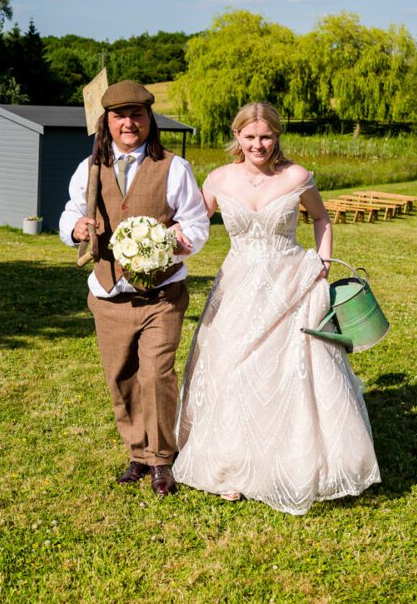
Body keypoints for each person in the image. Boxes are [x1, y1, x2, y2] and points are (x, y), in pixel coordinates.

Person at [172, 102, 380, 515]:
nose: (257, 145)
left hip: (290, 281)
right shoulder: (217, 178)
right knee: (231, 368)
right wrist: (162, 244)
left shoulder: (297, 176)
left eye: (265, 137)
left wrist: (321, 263)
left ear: (277, 136)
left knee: (288, 373)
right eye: (249, 137)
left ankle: (290, 460)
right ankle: (230, 465)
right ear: (236, 138)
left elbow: (322, 220)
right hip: (237, 283)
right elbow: (192, 225)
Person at [59, 80, 209, 496]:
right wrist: (75, 228)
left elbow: (197, 223)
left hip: (162, 295)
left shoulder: (174, 167)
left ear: (149, 120)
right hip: (108, 296)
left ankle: (162, 459)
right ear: (106, 122)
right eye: (119, 116)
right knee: (121, 376)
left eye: (137, 115)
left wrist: (174, 243)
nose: (129, 123)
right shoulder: (88, 169)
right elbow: (71, 212)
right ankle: (138, 454)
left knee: (157, 374)